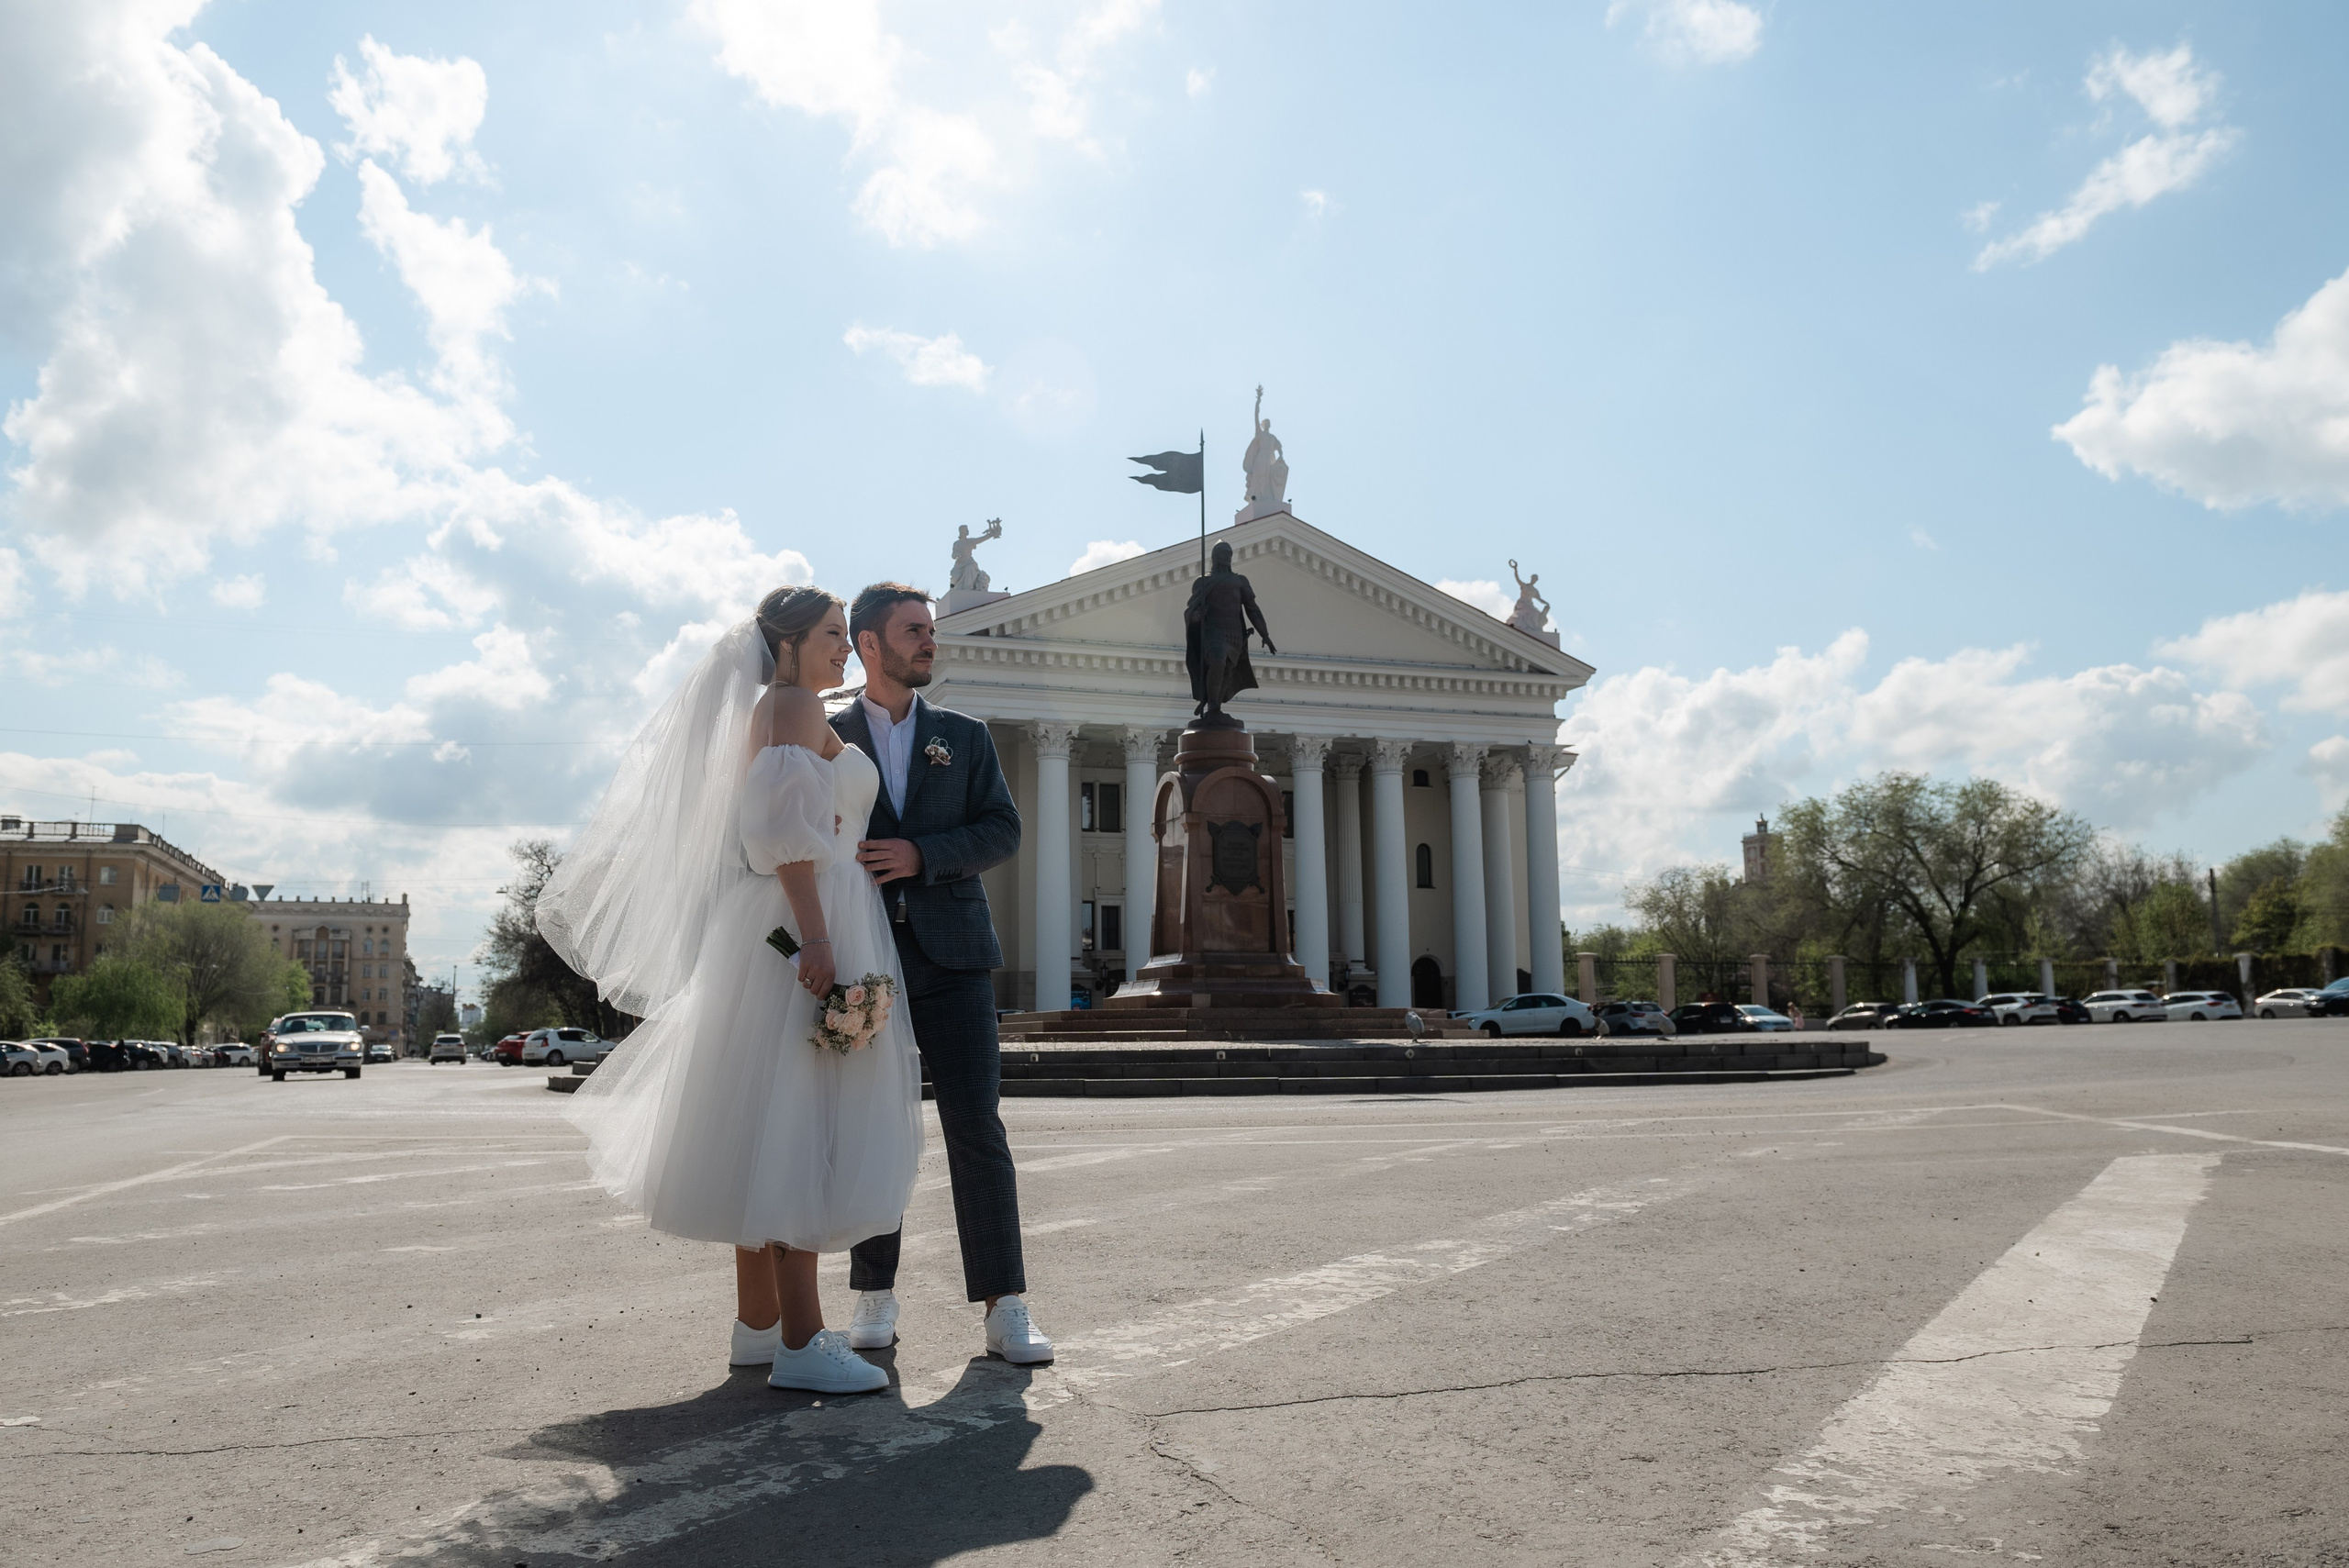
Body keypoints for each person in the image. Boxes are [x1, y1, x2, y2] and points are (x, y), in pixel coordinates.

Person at [537, 587, 924, 1396]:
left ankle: (757, 1327)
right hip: (804, 917)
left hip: (789, 920)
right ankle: (803, 1337)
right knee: (805, 1122)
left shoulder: (787, 705)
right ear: (785, 646)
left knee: (768, 1116)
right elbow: (784, 835)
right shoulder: (788, 705)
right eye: (829, 635)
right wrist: (818, 937)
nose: (842, 650)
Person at [829, 583, 1052, 1366]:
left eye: (931, 629)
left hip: (956, 957)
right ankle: (873, 1295)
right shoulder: (826, 736)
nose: (930, 641)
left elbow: (1003, 827)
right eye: (913, 630)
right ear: (868, 644)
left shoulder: (966, 736)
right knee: (875, 1128)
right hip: (866, 961)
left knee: (976, 1127)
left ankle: (1006, 1305)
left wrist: (925, 856)